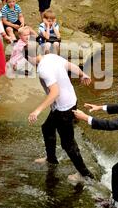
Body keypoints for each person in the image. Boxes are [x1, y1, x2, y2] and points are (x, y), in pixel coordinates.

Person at [28, 51, 94, 181]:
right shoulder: (51, 56)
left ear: (30, 57)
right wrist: (82, 74)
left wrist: (37, 110)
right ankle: (51, 159)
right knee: (47, 128)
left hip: (63, 108)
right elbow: (70, 65)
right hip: (69, 101)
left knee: (68, 143)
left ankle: (85, 174)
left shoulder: (42, 69)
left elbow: (55, 92)